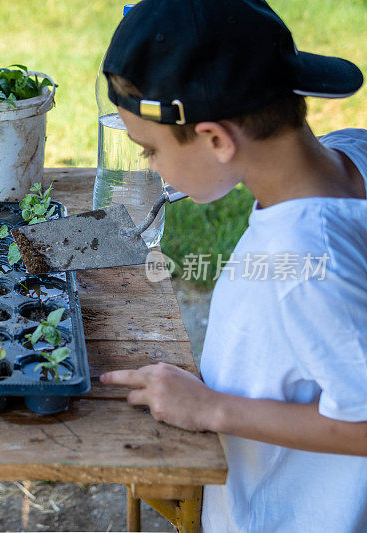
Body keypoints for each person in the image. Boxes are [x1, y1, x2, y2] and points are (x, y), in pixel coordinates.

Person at [96, 0, 367, 531]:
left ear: (216, 138)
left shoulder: (303, 260)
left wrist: (208, 408)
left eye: (148, 151)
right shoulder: (349, 155)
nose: (152, 168)